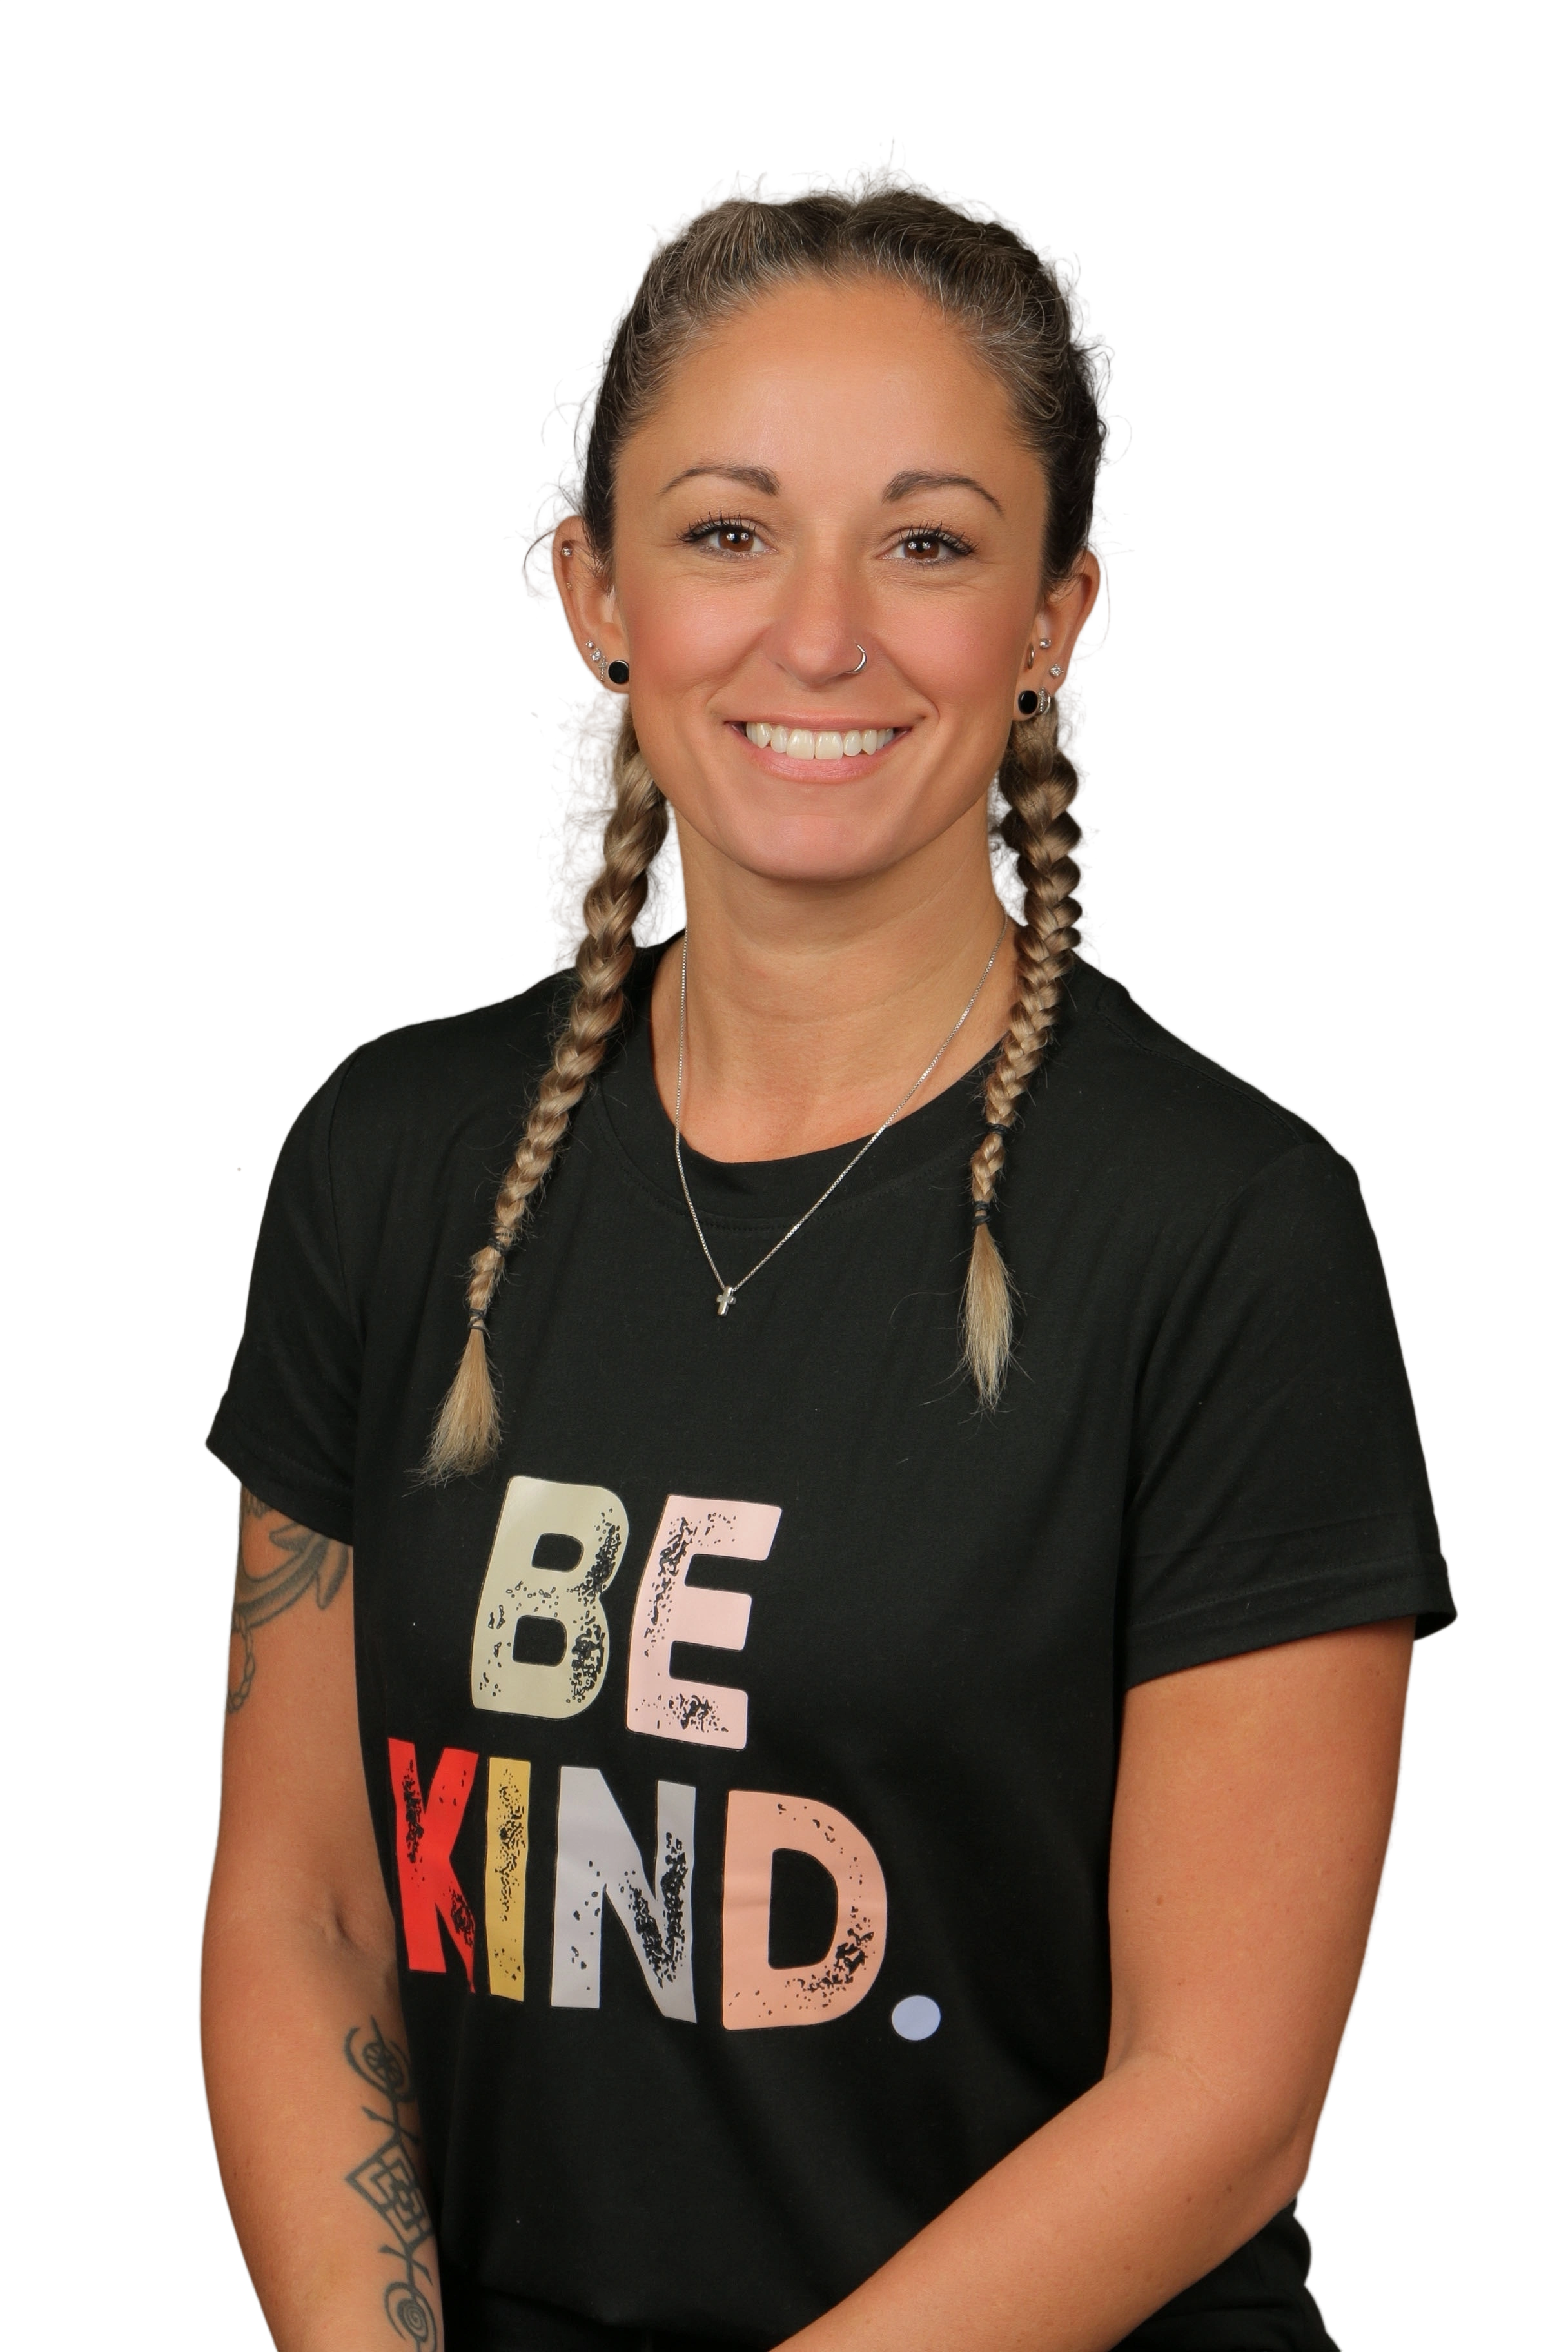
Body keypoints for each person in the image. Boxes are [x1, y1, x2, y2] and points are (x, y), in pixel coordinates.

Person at [198, 149, 1457, 2352]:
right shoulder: (389, 1162)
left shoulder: (1232, 1232)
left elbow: (1221, 2102)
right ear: (594, 590)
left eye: (930, 542)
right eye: (728, 531)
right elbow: (306, 1910)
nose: (820, 632)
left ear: (1057, 616)